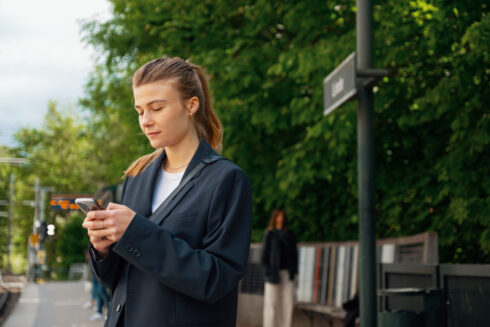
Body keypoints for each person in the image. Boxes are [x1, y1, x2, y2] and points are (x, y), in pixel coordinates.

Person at [82, 56, 253, 327]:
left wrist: (135, 232)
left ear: (191, 105)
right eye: (139, 111)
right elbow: (119, 280)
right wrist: (102, 250)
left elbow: (218, 280)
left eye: (157, 108)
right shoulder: (136, 178)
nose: (145, 121)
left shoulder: (226, 180)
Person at [261, 209, 298, 327]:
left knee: (287, 303)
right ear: (274, 218)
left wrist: (294, 271)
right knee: (271, 304)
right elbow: (264, 255)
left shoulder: (289, 234)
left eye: (282, 216)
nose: (280, 219)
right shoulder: (269, 234)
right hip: (272, 273)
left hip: (287, 273)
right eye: (278, 216)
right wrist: (267, 272)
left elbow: (295, 254)